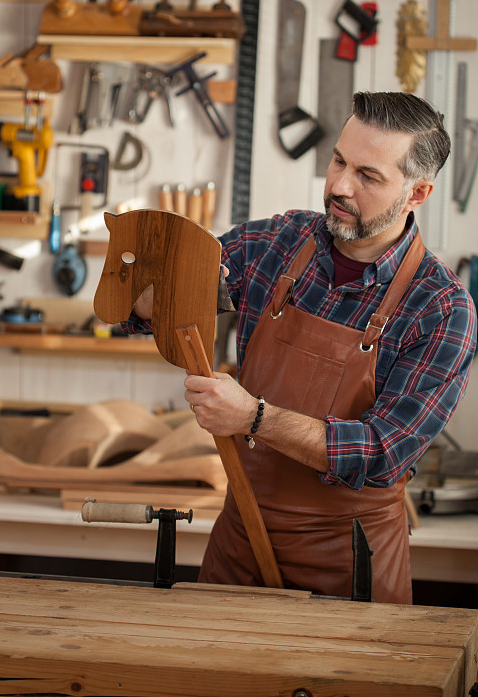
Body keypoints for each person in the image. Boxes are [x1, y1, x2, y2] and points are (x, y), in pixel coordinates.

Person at [126, 91, 477, 604]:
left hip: (348, 561)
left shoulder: (442, 310)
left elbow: (381, 451)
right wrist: (154, 281)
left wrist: (254, 418)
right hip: (241, 537)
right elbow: (148, 313)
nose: (338, 185)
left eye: (368, 176)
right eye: (338, 160)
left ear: (417, 193)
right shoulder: (276, 244)